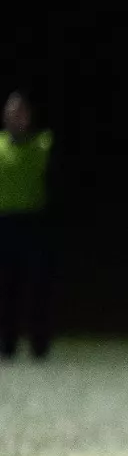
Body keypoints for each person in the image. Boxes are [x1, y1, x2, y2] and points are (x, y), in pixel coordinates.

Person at [0, 92, 54, 361]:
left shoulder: (43, 144)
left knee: (36, 289)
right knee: (5, 289)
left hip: (33, 223)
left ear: (29, 116)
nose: (16, 117)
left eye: (21, 111)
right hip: (4, 223)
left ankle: (39, 346)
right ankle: (6, 346)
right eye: (11, 112)